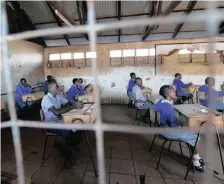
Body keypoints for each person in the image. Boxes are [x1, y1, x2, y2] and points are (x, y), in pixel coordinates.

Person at [154, 85, 204, 172]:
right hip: (166, 131)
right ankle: (196, 162)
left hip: (159, 128)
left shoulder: (159, 101)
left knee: (189, 132)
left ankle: (196, 157)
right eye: (173, 91)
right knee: (195, 136)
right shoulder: (168, 106)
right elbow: (174, 125)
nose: (175, 93)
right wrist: (182, 126)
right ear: (169, 93)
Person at [41, 80, 84, 163]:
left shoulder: (57, 95)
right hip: (51, 123)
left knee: (78, 125)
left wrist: (77, 103)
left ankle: (69, 144)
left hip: (60, 120)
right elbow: (56, 112)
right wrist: (73, 107)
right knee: (67, 131)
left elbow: (68, 102)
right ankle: (66, 152)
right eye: (57, 87)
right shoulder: (46, 99)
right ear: (50, 89)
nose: (59, 88)